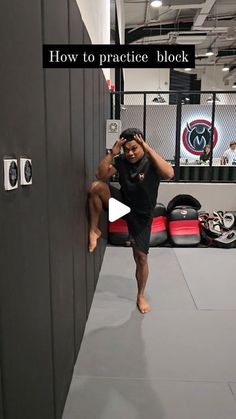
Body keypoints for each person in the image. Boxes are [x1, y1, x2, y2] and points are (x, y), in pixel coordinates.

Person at [88, 128, 174, 314]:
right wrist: (113, 152)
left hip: (142, 216)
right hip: (123, 205)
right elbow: (100, 174)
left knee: (141, 258)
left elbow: (169, 173)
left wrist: (148, 149)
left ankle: (140, 295)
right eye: (126, 149)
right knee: (96, 188)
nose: (130, 153)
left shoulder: (151, 162)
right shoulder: (121, 161)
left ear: (142, 145)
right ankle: (94, 230)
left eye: (134, 148)